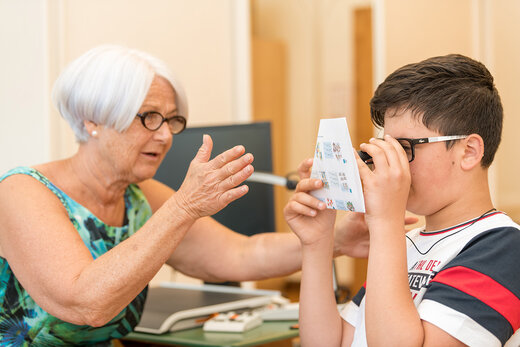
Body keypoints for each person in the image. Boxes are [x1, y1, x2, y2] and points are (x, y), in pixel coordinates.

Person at [0, 44, 378, 346]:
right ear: (91, 121)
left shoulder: (139, 197)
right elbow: (85, 304)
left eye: (172, 120)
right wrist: (184, 206)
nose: (165, 136)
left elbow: (240, 255)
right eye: (148, 117)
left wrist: (337, 240)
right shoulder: (22, 191)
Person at [285, 54, 520, 346]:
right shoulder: (408, 243)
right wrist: (318, 243)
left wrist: (386, 222)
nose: (390, 165)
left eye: (404, 148)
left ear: (469, 151)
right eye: (386, 148)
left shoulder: (503, 247)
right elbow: (329, 342)